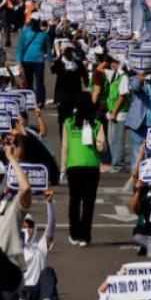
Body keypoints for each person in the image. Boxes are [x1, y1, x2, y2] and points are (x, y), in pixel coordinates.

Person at [62, 97, 103, 246]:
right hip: (91, 166)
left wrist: (63, 168)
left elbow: (65, 147)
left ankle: (74, 234)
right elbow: (101, 147)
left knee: (74, 201)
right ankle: (85, 236)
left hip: (74, 166)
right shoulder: (96, 124)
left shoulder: (68, 124)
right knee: (88, 203)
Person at [15, 19, 49, 107]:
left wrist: (50, 60)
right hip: (27, 60)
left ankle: (40, 101)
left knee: (40, 82)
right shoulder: (25, 32)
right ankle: (28, 100)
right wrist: (19, 61)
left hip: (39, 61)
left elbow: (48, 48)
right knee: (28, 81)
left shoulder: (44, 34)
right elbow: (20, 47)